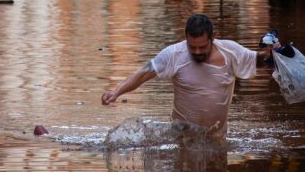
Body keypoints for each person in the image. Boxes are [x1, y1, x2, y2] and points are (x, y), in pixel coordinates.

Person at [101, 13, 278, 138]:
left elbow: (258, 60)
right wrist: (117, 92)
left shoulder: (230, 51)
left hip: (217, 138)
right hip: (182, 137)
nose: (197, 51)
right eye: (192, 47)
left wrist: (273, 53)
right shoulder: (173, 54)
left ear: (212, 38)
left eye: (202, 47)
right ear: (186, 38)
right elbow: (143, 74)